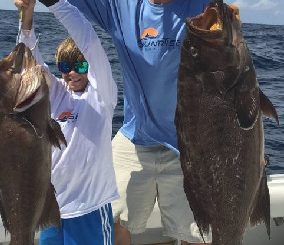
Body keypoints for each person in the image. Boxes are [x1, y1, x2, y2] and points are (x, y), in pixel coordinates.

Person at [37, 0, 212, 244]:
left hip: (190, 142)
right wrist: (26, 19)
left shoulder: (202, 5)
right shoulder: (121, 7)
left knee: (197, 230)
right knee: (115, 218)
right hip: (134, 137)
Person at [14, 0, 119, 244]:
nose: (71, 73)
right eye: (65, 66)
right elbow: (28, 63)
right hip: (50, 208)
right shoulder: (56, 92)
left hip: (90, 209)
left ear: (90, 68)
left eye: (80, 66)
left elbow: (89, 41)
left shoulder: (102, 96)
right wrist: (26, 15)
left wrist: (54, 3)